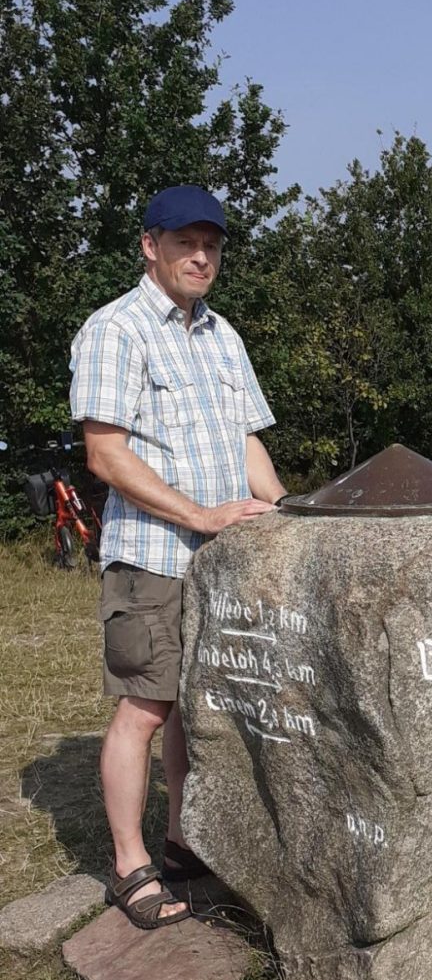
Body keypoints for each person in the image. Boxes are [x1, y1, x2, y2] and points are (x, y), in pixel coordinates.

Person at [69, 185, 284, 930]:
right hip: (155, 553)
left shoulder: (223, 336)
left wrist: (286, 514)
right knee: (146, 707)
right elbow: (103, 452)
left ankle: (183, 845)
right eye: (186, 242)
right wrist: (198, 515)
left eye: (213, 245)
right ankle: (129, 865)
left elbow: (246, 442)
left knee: (194, 708)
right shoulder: (117, 330)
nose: (201, 256)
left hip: (221, 564)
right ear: (149, 245)